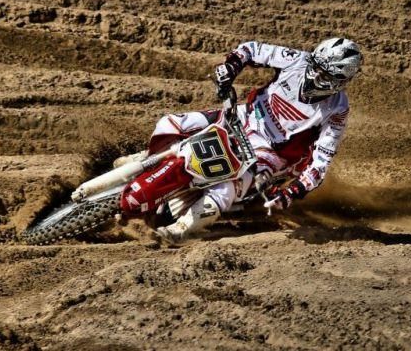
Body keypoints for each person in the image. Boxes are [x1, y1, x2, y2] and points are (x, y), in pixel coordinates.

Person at [114, 38, 362, 243]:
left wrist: (292, 192)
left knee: (227, 188)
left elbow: (321, 163)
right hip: (241, 116)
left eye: (323, 75)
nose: (313, 75)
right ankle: (149, 162)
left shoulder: (337, 110)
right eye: (314, 66)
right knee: (170, 123)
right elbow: (251, 49)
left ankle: (178, 231)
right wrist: (230, 68)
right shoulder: (296, 59)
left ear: (338, 82)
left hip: (268, 154)